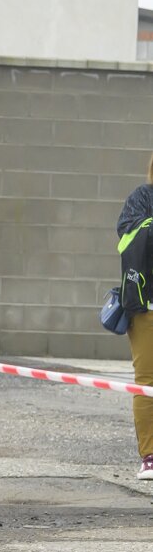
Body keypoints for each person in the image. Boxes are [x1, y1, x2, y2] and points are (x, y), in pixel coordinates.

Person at [116, 158, 153, 478]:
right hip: (147, 310)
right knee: (148, 381)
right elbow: (127, 241)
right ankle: (150, 456)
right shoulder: (142, 198)